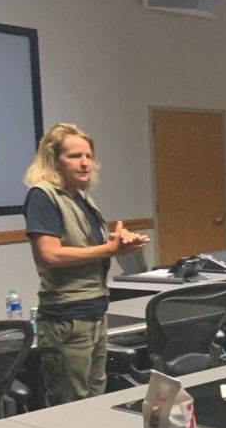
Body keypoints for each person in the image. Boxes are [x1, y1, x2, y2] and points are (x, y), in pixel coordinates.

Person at [23, 123, 149, 406]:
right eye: (74, 156)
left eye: (88, 156)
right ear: (54, 160)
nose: (84, 163)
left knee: (95, 401)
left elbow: (93, 248)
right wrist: (108, 248)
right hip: (67, 318)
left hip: (95, 310)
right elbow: (50, 255)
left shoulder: (81, 199)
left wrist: (121, 243)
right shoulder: (43, 196)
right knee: (71, 405)